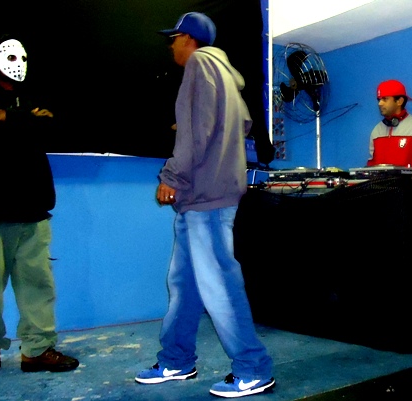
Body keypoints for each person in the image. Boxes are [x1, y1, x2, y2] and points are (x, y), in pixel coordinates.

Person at [134, 12, 275, 398]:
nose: (171, 45)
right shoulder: (228, 77)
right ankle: (176, 360)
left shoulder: (199, 64)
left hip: (205, 198)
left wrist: (172, 176)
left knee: (220, 283)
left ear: (189, 39)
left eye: (174, 38)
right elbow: (242, 125)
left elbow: (199, 131)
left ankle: (253, 368)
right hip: (204, 197)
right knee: (184, 284)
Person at [0, 34, 79, 381]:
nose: (18, 65)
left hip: (32, 209)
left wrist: (10, 119)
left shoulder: (32, 98)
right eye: (11, 58)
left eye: (22, 58)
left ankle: (38, 350)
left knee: (38, 284)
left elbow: (54, 127)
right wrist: (28, 121)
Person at [366, 79, 412, 188]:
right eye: (379, 99)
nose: (380, 103)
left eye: (385, 99)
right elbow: (372, 167)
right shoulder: (376, 131)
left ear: (399, 101)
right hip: (382, 194)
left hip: (411, 194)